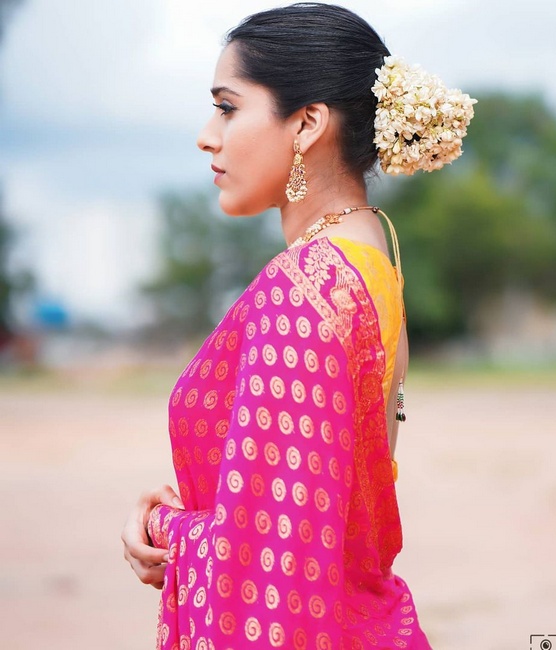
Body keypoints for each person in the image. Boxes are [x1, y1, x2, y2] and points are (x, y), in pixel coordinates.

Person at [121, 3, 475, 648]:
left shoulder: (304, 289)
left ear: (308, 122)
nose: (206, 136)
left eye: (227, 108)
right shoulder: (372, 258)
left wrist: (163, 528)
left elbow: (263, 571)